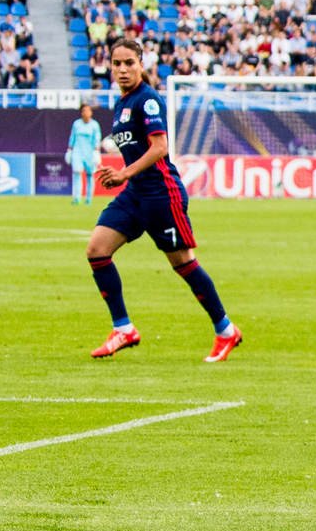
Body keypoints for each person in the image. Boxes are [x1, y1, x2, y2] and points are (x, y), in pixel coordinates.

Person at [85, 37, 242, 362]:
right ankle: (123, 328)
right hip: (135, 195)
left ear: (142, 64)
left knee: (182, 263)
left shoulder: (148, 100)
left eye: (130, 63)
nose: (123, 69)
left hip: (161, 194)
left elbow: (160, 148)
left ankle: (226, 330)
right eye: (117, 64)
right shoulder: (121, 103)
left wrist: (124, 173)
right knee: (97, 250)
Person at [67, 103, 103, 205]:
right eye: (84, 111)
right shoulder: (76, 124)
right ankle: (77, 198)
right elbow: (72, 137)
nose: (86, 113)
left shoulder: (94, 125)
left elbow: (97, 138)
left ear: (91, 113)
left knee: (90, 175)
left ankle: (88, 199)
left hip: (90, 153)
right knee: (77, 173)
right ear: (81, 113)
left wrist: (96, 152)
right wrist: (69, 150)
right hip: (77, 152)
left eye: (88, 110)